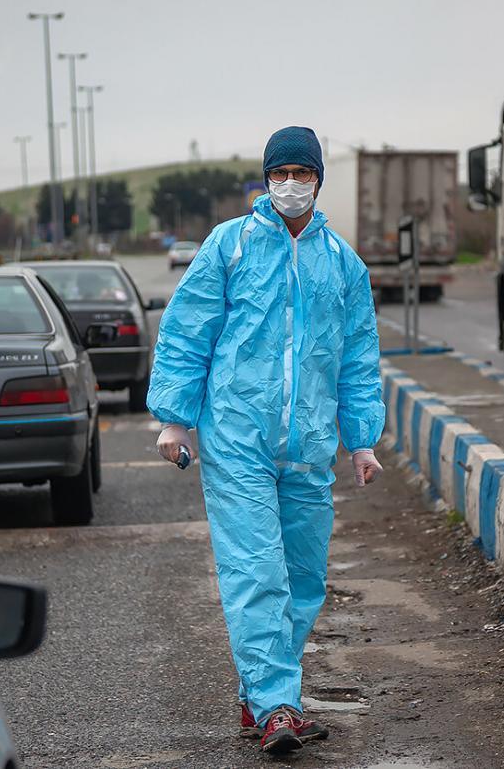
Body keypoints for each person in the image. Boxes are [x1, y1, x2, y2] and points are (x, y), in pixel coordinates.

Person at [147, 125, 385, 755]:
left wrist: (361, 440)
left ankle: (260, 694)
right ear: (264, 180)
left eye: (300, 175)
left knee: (304, 578)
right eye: (279, 174)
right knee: (258, 571)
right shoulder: (230, 246)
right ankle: (279, 703)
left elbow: (357, 358)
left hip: (308, 448)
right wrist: (174, 418)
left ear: (317, 180)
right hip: (237, 439)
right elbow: (187, 330)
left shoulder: (343, 264)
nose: (289, 185)